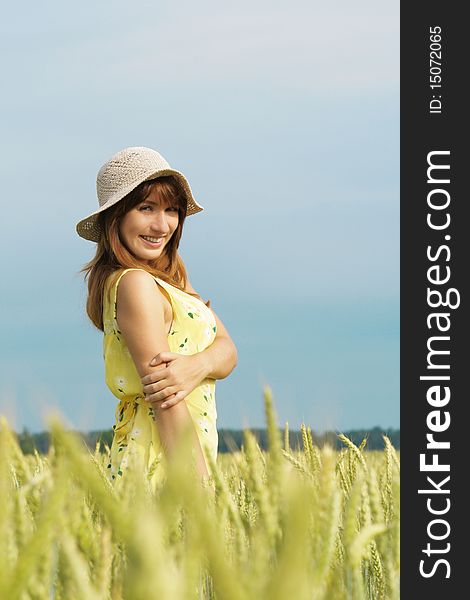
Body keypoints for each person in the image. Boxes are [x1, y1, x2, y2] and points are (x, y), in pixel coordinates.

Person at [76, 146, 237, 491]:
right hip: (160, 467)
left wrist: (197, 364)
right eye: (145, 208)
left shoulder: (171, 279)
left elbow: (228, 351)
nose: (161, 225)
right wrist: (198, 493)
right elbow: (166, 400)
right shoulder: (134, 284)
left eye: (171, 210)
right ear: (115, 217)